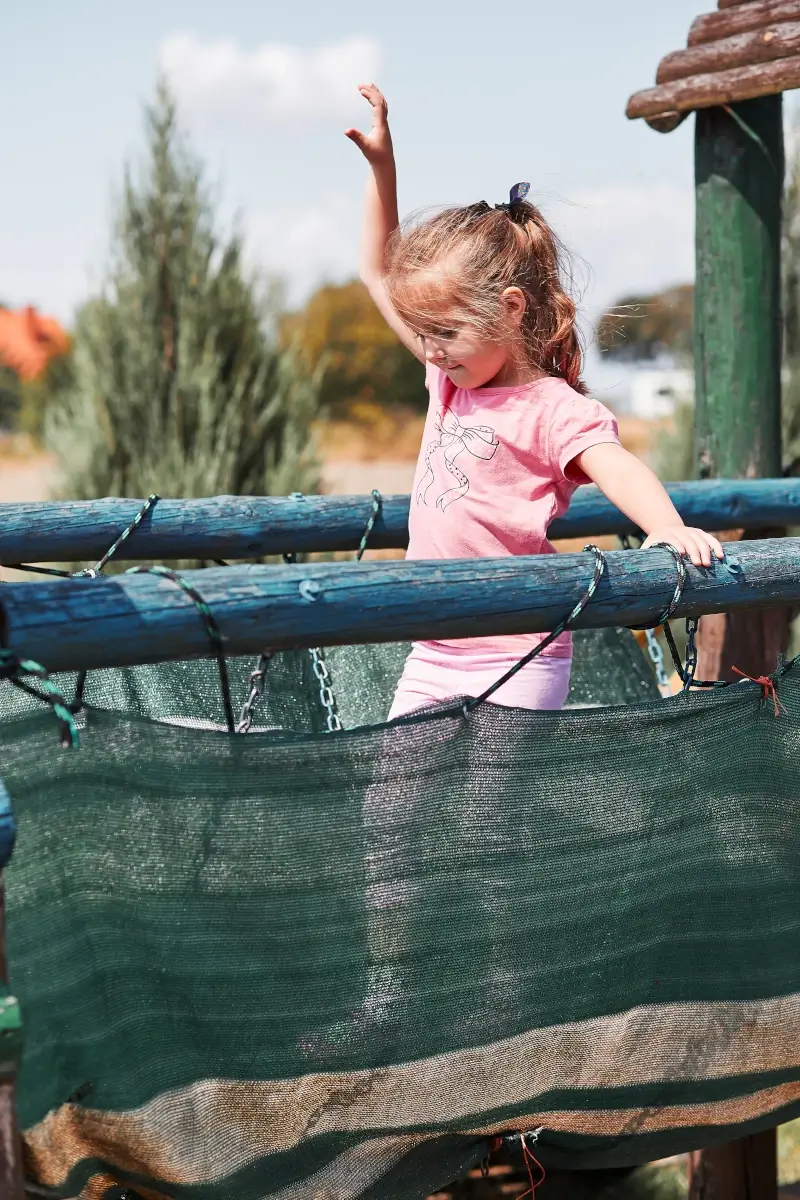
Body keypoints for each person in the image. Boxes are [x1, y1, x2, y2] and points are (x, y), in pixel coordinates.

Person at [345, 84, 723, 721]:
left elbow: (617, 465)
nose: (430, 351)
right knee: (390, 812)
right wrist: (383, 168)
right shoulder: (450, 377)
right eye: (426, 333)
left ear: (509, 310)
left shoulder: (552, 408)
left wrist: (664, 525)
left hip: (519, 648)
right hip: (434, 644)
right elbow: (378, 271)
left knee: (487, 818)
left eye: (446, 333)